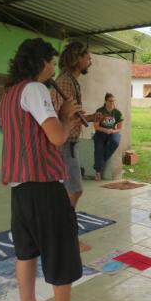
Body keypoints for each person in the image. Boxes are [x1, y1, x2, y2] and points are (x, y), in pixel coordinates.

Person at [0, 38, 98, 301]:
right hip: (43, 182)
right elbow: (56, 137)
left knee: (26, 250)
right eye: (51, 63)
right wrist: (66, 116)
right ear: (40, 62)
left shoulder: (9, 93)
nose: (53, 68)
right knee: (60, 245)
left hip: (21, 187)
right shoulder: (34, 89)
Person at [50, 42, 99, 252]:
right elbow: (58, 116)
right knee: (74, 190)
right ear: (76, 58)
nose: (90, 60)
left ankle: (62, 233)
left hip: (69, 143)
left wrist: (89, 117)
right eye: (87, 57)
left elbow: (70, 116)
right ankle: (66, 237)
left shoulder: (71, 82)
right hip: (64, 144)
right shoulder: (65, 82)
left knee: (70, 192)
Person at [93, 92, 123, 181]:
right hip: (101, 132)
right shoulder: (99, 111)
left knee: (115, 142)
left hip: (112, 132)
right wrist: (105, 130)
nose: (112, 103)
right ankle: (97, 172)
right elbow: (96, 126)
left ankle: (101, 161)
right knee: (98, 149)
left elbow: (120, 128)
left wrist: (113, 131)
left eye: (113, 101)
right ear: (105, 101)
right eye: (110, 101)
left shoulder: (117, 112)